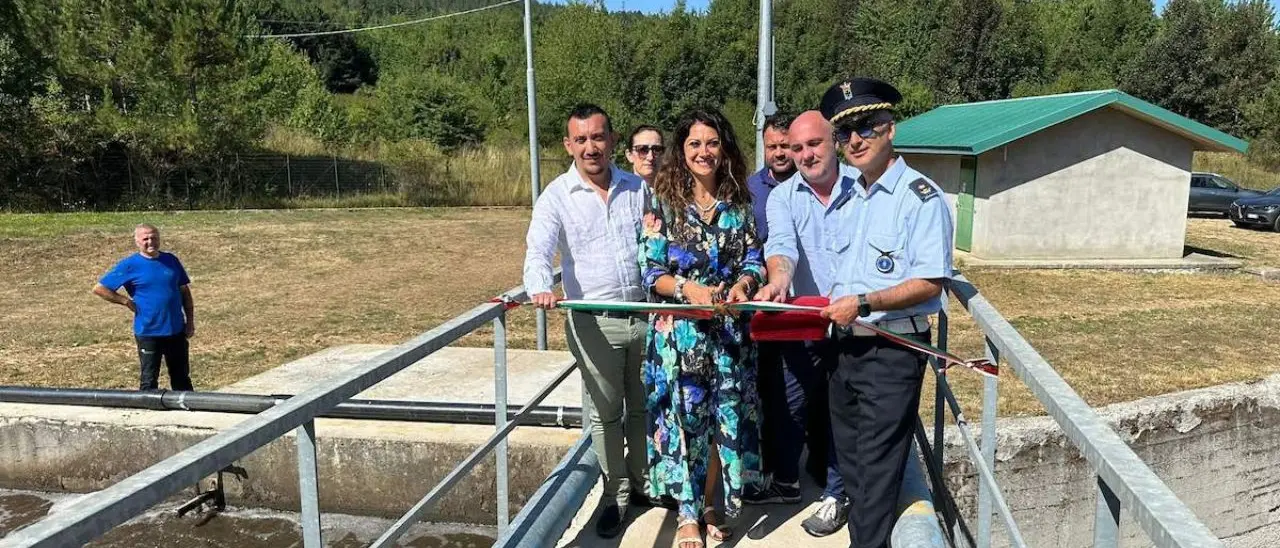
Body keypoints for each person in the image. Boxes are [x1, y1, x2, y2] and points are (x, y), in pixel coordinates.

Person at [816, 77, 955, 548]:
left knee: (876, 478)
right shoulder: (851, 195)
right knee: (853, 467)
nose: (855, 140)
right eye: (845, 133)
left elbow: (930, 281)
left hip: (891, 352)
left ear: (890, 128)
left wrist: (865, 303)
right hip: (844, 351)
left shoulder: (921, 197)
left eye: (867, 127)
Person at [522, 104, 652, 538]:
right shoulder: (557, 196)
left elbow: (658, 241)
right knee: (605, 415)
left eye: (598, 137)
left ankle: (643, 485)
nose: (591, 147)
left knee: (644, 408)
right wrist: (540, 286)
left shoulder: (637, 188)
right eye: (581, 140)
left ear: (613, 140)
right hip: (593, 321)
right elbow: (538, 251)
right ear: (568, 145)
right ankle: (614, 495)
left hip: (644, 315)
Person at [639, 107, 764, 548]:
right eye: (695, 143)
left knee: (719, 421)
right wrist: (688, 289)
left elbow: (754, 259)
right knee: (685, 420)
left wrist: (746, 282)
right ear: (682, 150)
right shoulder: (662, 201)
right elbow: (650, 272)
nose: (704, 151)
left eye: (712, 142)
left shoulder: (740, 202)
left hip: (729, 336)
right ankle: (687, 514)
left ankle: (710, 502)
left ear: (724, 147)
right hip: (680, 336)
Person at [745, 110, 853, 537]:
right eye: (797, 148)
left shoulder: (861, 188)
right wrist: (778, 281)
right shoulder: (782, 197)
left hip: (851, 321)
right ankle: (787, 482)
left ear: (834, 143)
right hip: (804, 322)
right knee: (790, 406)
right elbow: (782, 245)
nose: (805, 155)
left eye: (814, 145)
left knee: (840, 412)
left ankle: (836, 494)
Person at [93, 224, 195, 392]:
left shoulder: (171, 260)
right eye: (145, 238)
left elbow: (185, 292)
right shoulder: (129, 265)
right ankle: (148, 412)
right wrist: (125, 301)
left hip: (176, 330)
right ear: (137, 241)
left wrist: (190, 322)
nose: (150, 242)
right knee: (149, 379)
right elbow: (99, 288)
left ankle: (188, 411)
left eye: (154, 237)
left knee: (182, 377)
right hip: (149, 331)